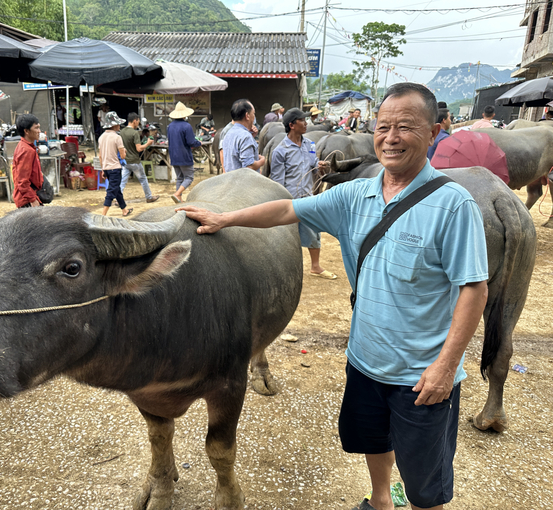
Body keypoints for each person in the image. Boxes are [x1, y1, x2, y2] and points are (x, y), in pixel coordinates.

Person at [177, 82, 489, 510]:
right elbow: (287, 210)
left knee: (425, 483)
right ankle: (380, 500)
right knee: (372, 441)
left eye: (406, 127)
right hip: (364, 360)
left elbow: (474, 288)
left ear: (434, 132)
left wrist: (446, 365)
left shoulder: (454, 205)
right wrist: (225, 217)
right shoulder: (355, 194)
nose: (391, 137)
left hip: (422, 375)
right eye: (383, 126)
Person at [270, 107, 337, 279]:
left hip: (307, 196)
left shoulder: (310, 145)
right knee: (286, 236)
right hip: (290, 200)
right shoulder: (280, 151)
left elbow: (313, 164)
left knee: (314, 230)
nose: (306, 123)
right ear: (292, 125)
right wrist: (282, 204)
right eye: (302, 120)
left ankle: (315, 266)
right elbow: (278, 181)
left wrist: (319, 165)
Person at [119, 113, 159, 203]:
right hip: (134, 161)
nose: (138, 123)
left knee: (123, 181)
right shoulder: (134, 133)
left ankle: (119, 199)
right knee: (143, 179)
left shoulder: (122, 132)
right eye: (138, 121)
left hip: (125, 160)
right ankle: (149, 197)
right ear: (134, 121)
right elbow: (139, 148)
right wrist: (148, 144)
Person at [98, 111, 132, 217]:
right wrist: (124, 151)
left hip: (106, 168)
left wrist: (103, 169)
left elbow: (100, 156)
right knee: (112, 191)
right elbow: (122, 156)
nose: (119, 126)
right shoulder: (117, 137)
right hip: (115, 168)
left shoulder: (101, 137)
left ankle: (124, 210)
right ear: (115, 125)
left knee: (116, 190)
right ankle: (103, 214)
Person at [166, 101, 201, 204]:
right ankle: (177, 194)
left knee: (180, 178)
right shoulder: (186, 126)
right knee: (189, 177)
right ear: (185, 115)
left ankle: (179, 199)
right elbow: (191, 142)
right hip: (184, 156)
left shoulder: (170, 126)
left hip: (174, 156)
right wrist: (199, 143)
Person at [222, 99, 266, 172]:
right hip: (243, 182)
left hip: (230, 179)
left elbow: (235, 157)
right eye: (253, 114)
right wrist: (262, 161)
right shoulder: (245, 136)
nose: (254, 117)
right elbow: (249, 166)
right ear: (247, 116)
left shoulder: (228, 133)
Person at [12, 114, 45, 209]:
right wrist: (32, 200)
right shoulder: (26, 150)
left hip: (29, 196)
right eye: (36, 128)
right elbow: (22, 181)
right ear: (26, 131)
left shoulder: (25, 146)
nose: (39, 131)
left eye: (39, 128)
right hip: (27, 199)